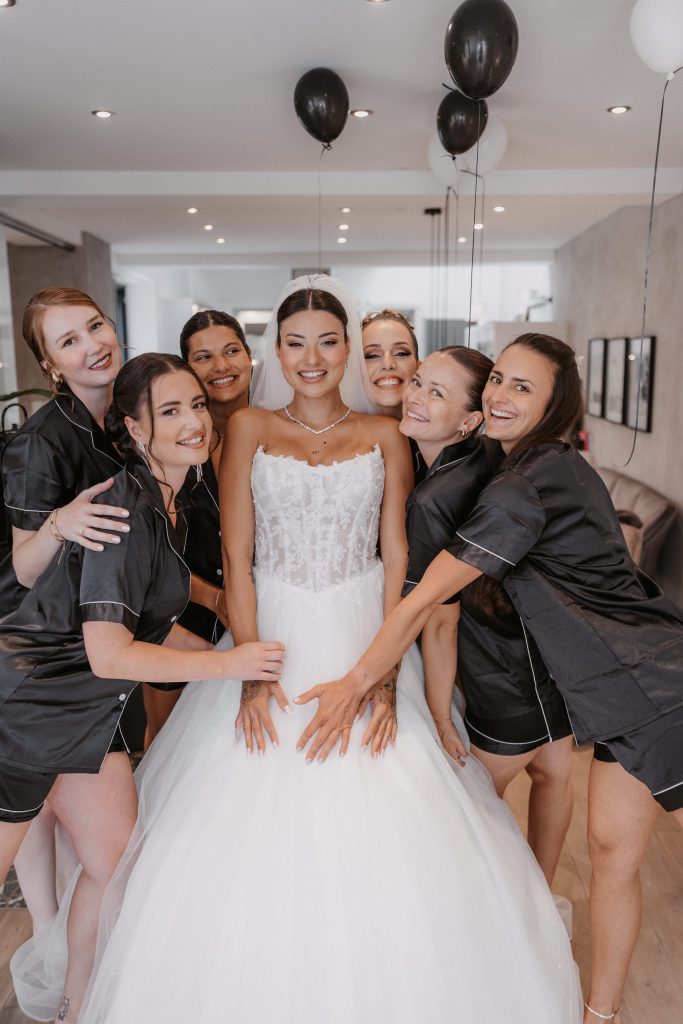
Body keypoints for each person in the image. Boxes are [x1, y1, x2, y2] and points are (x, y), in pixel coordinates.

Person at [73, 280, 581, 1024]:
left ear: (346, 348)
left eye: (327, 340)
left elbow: (396, 555)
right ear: (275, 352)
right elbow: (239, 559)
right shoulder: (243, 427)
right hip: (269, 628)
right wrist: (247, 669)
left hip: (362, 629)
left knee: (390, 793)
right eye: (294, 342)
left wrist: (378, 677)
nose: (311, 357)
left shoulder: (384, 438)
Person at [299, 332, 683, 1024]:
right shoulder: (538, 464)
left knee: (614, 855)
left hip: (656, 683)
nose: (501, 396)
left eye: (521, 389)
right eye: (499, 379)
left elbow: (423, 603)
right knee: (609, 856)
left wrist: (357, 682)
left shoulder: (523, 487)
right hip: (613, 691)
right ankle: (601, 1015)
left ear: (554, 405)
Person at [3, 353, 284, 1022]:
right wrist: (231, 666)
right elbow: (109, 651)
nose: (193, 422)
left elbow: (153, 629)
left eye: (196, 405)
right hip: (28, 709)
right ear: (132, 427)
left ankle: (76, 1006)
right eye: (169, 411)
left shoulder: (168, 500)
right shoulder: (126, 504)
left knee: (114, 864)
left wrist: (236, 656)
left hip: (86, 719)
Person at [401, 347, 574, 886]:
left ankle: (502, 912)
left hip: (500, 669)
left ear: (470, 420)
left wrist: (438, 712)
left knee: (470, 810)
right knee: (553, 777)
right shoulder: (495, 461)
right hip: (545, 656)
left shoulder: (436, 496)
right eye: (418, 382)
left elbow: (440, 617)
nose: (415, 396)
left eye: (437, 392)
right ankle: (543, 900)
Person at [0, 289, 130, 944]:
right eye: (69, 341)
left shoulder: (122, 424)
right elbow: (23, 567)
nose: (92, 345)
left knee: (111, 856)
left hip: (90, 666)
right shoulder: (38, 443)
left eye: (95, 326)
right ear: (51, 365)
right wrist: (58, 522)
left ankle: (70, 990)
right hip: (38, 670)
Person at [141, 311, 253, 743]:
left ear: (249, 356)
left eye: (231, 351)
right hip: (181, 612)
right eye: (203, 358)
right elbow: (150, 554)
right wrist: (215, 597)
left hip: (261, 611)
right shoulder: (169, 446)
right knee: (170, 743)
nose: (221, 367)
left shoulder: (277, 433)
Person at [362, 309, 424, 481]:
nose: (388, 364)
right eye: (372, 355)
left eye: (401, 353)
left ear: (419, 366)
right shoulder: (338, 436)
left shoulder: (437, 439)